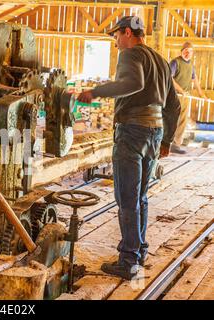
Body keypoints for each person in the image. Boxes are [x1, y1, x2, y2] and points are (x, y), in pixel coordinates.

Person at [77, 16, 181, 280]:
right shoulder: (159, 59)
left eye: (116, 37)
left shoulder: (130, 54)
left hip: (132, 132)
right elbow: (174, 106)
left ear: (127, 32)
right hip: (153, 134)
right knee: (140, 196)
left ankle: (128, 260)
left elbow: (132, 84)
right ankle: (139, 251)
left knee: (126, 199)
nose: (116, 44)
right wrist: (166, 140)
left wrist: (96, 92)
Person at [169, 42, 208, 154]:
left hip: (185, 98)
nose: (187, 53)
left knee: (182, 121)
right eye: (185, 50)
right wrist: (181, 91)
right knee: (172, 119)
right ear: (182, 51)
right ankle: (165, 143)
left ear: (192, 53)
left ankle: (176, 145)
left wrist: (201, 94)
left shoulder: (191, 65)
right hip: (175, 96)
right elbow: (170, 79)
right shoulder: (175, 62)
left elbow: (195, 80)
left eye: (190, 51)